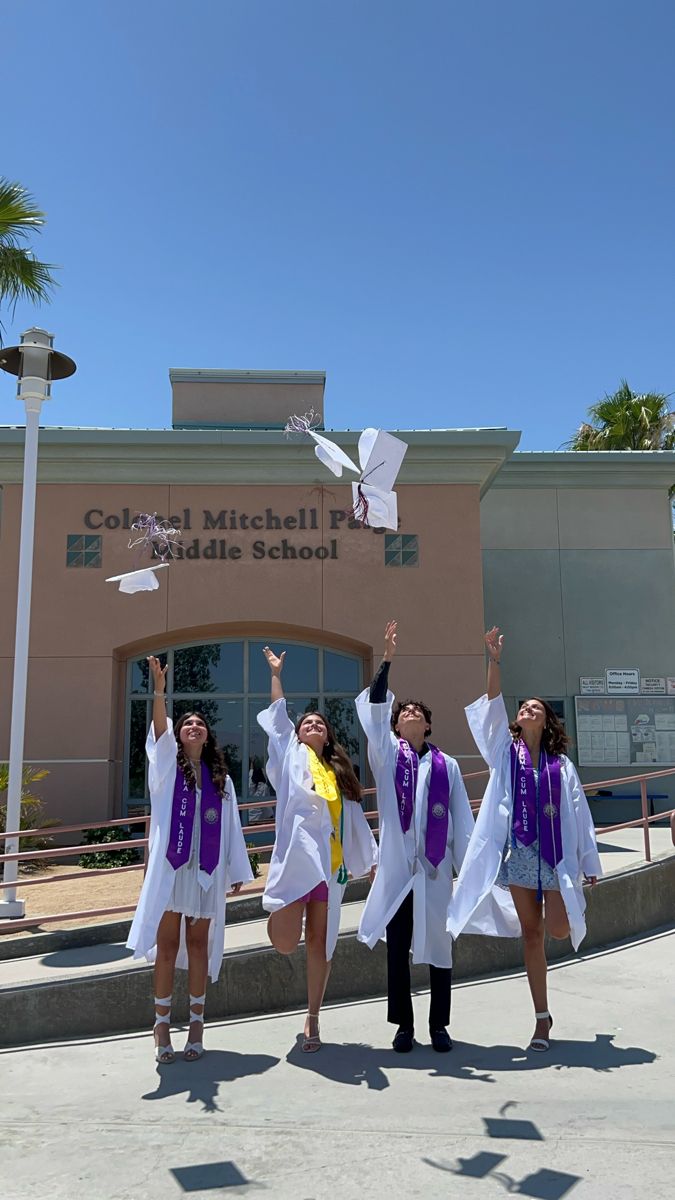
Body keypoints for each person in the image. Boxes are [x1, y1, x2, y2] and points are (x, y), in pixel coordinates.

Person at [447, 627, 602, 1052]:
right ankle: (541, 1019)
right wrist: (494, 661)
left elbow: (579, 813)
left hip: (554, 857)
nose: (528, 709)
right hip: (519, 853)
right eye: (524, 707)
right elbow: (492, 708)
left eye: (536, 707)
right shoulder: (504, 754)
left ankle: (544, 1010)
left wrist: (588, 861)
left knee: (557, 929)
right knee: (531, 936)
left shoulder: (561, 766)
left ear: (546, 719)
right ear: (518, 720)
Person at [355, 620, 477, 1053]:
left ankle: (439, 1026)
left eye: (417, 714)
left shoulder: (449, 767)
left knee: (440, 948)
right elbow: (373, 706)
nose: (410, 715)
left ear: (427, 726)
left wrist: (471, 869)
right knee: (398, 952)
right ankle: (403, 1026)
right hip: (398, 871)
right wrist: (386, 661)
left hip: (434, 869)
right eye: (403, 712)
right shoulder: (387, 756)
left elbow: (462, 819)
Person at [127, 655, 252, 1063]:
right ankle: (161, 1025)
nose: (193, 727)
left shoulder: (222, 780)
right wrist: (160, 692)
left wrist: (235, 869)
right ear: (180, 736)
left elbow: (231, 827)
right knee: (167, 946)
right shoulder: (167, 769)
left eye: (199, 723)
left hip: (206, 871)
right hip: (173, 869)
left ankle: (196, 1023)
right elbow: (159, 730)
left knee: (199, 944)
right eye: (187, 724)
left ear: (207, 734)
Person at [257, 645, 377, 1052]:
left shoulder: (339, 774)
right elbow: (277, 719)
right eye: (306, 723)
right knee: (287, 940)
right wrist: (276, 675)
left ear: (327, 736)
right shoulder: (289, 755)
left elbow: (354, 820)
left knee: (320, 944)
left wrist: (372, 860)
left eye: (319, 725)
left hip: (329, 867)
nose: (312, 726)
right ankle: (278, 927)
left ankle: (313, 1018)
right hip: (296, 862)